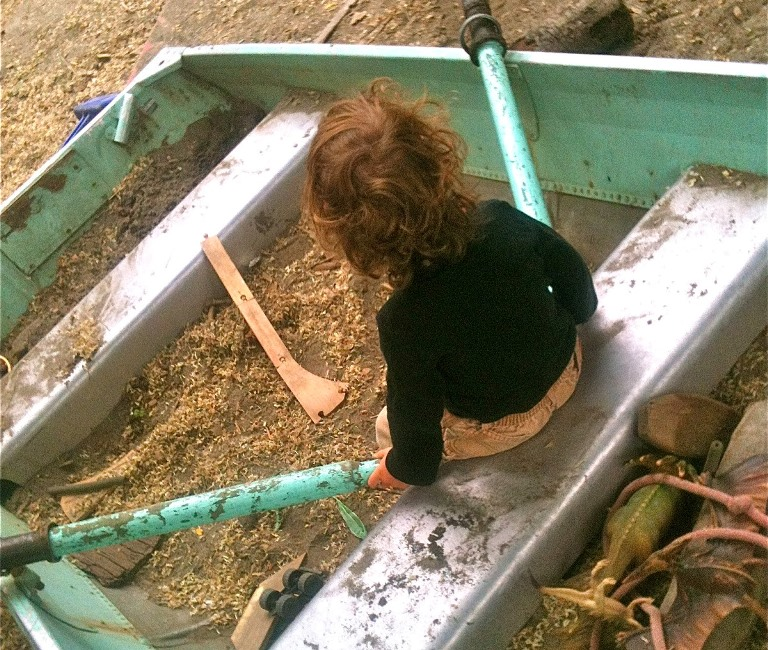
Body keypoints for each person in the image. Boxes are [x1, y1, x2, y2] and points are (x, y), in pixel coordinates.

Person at [302, 79, 597, 490]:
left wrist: (405, 467)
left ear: (353, 237)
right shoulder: (501, 219)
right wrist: (580, 314)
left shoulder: (404, 321)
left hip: (506, 425)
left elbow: (414, 413)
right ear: (436, 160)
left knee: (387, 425)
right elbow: (572, 274)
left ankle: (426, 475)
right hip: (568, 365)